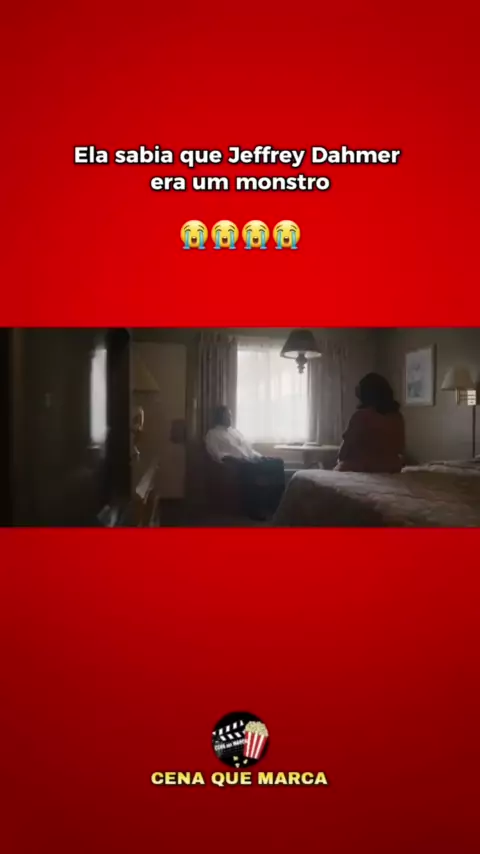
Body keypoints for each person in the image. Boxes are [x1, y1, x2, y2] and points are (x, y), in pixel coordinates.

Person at [205, 405, 285, 519]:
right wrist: (234, 459)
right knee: (250, 469)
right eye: (227, 416)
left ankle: (276, 505)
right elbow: (216, 454)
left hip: (252, 458)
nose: (230, 418)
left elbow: (248, 449)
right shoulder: (213, 434)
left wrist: (260, 457)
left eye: (230, 415)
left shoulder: (235, 432)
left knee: (278, 462)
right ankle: (253, 511)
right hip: (237, 463)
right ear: (219, 417)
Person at [335, 373, 405, 473]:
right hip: (390, 467)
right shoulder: (397, 417)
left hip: (360, 468)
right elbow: (400, 448)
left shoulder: (360, 416)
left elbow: (343, 453)